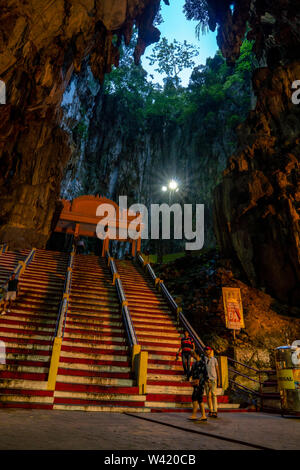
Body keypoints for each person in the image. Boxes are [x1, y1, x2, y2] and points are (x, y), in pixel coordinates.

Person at [189, 350, 208, 421]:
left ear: (197, 354)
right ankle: (199, 415)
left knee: (197, 398)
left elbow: (205, 374)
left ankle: (199, 415)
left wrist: (200, 380)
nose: (192, 355)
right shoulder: (194, 364)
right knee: (196, 398)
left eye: (194, 354)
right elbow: (191, 372)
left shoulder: (202, 363)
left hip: (200, 384)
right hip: (195, 383)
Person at [204, 346, 220, 418]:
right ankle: (210, 410)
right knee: (208, 395)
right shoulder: (203, 359)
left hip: (213, 379)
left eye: (208, 350)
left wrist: (219, 379)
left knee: (214, 395)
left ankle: (215, 411)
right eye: (206, 350)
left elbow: (217, 369)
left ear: (210, 351)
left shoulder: (214, 359)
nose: (207, 351)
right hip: (206, 379)